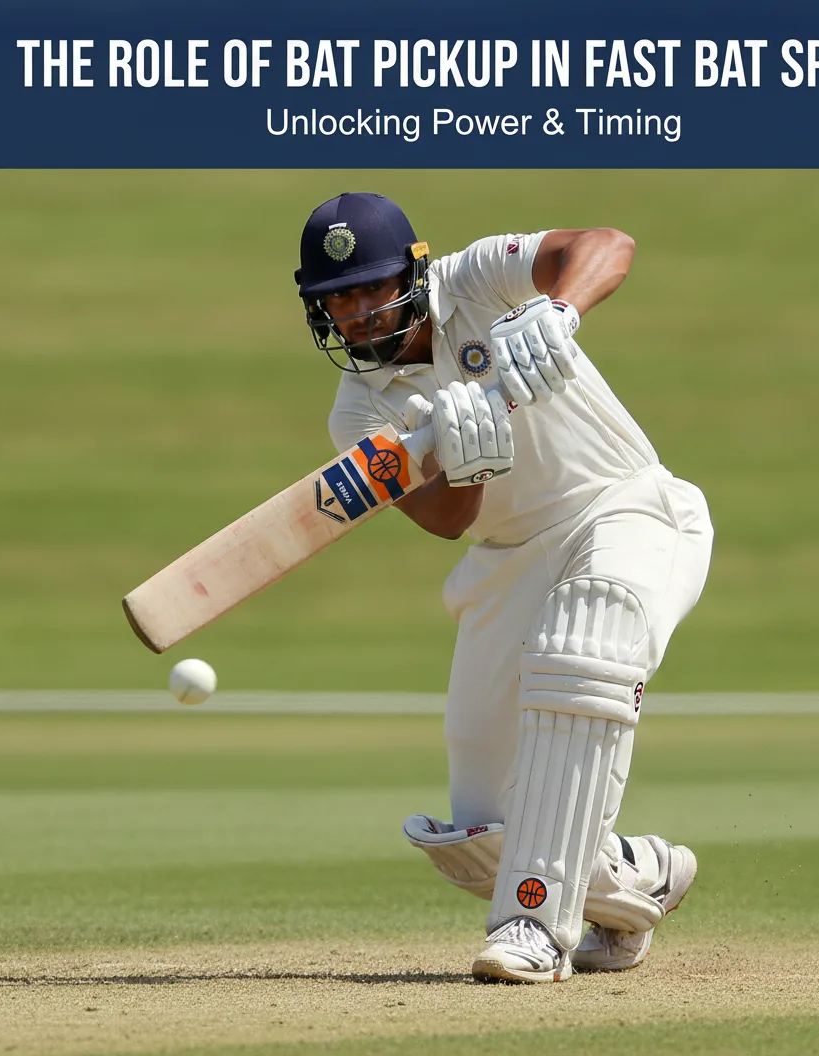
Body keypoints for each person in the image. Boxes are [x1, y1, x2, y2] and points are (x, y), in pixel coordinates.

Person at [294, 191, 714, 983]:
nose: (355, 312)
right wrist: (471, 465)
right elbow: (443, 519)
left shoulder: (476, 279)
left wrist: (559, 308)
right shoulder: (358, 414)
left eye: (370, 287)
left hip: (624, 504)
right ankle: (636, 878)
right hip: (509, 558)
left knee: (585, 641)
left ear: (413, 273)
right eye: (336, 298)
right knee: (481, 833)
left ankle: (534, 923)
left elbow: (607, 242)